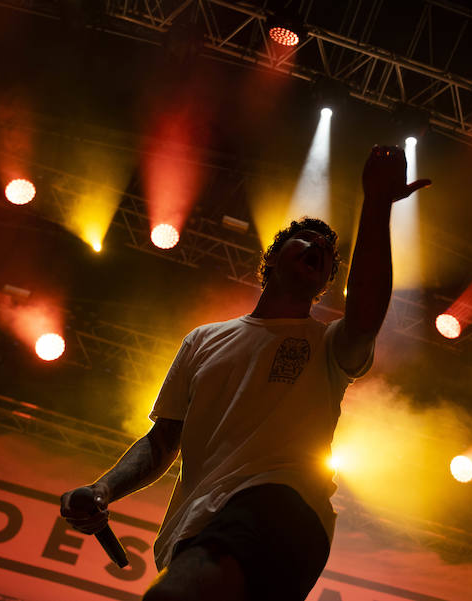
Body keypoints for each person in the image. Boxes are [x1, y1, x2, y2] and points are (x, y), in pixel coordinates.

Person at [60, 145, 430, 601]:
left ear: (325, 282)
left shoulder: (328, 343)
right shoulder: (203, 340)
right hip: (194, 525)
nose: (318, 247)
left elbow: (367, 317)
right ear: (271, 260)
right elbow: (161, 442)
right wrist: (103, 489)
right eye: (307, 239)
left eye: (328, 252)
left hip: (282, 507)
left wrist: (375, 205)